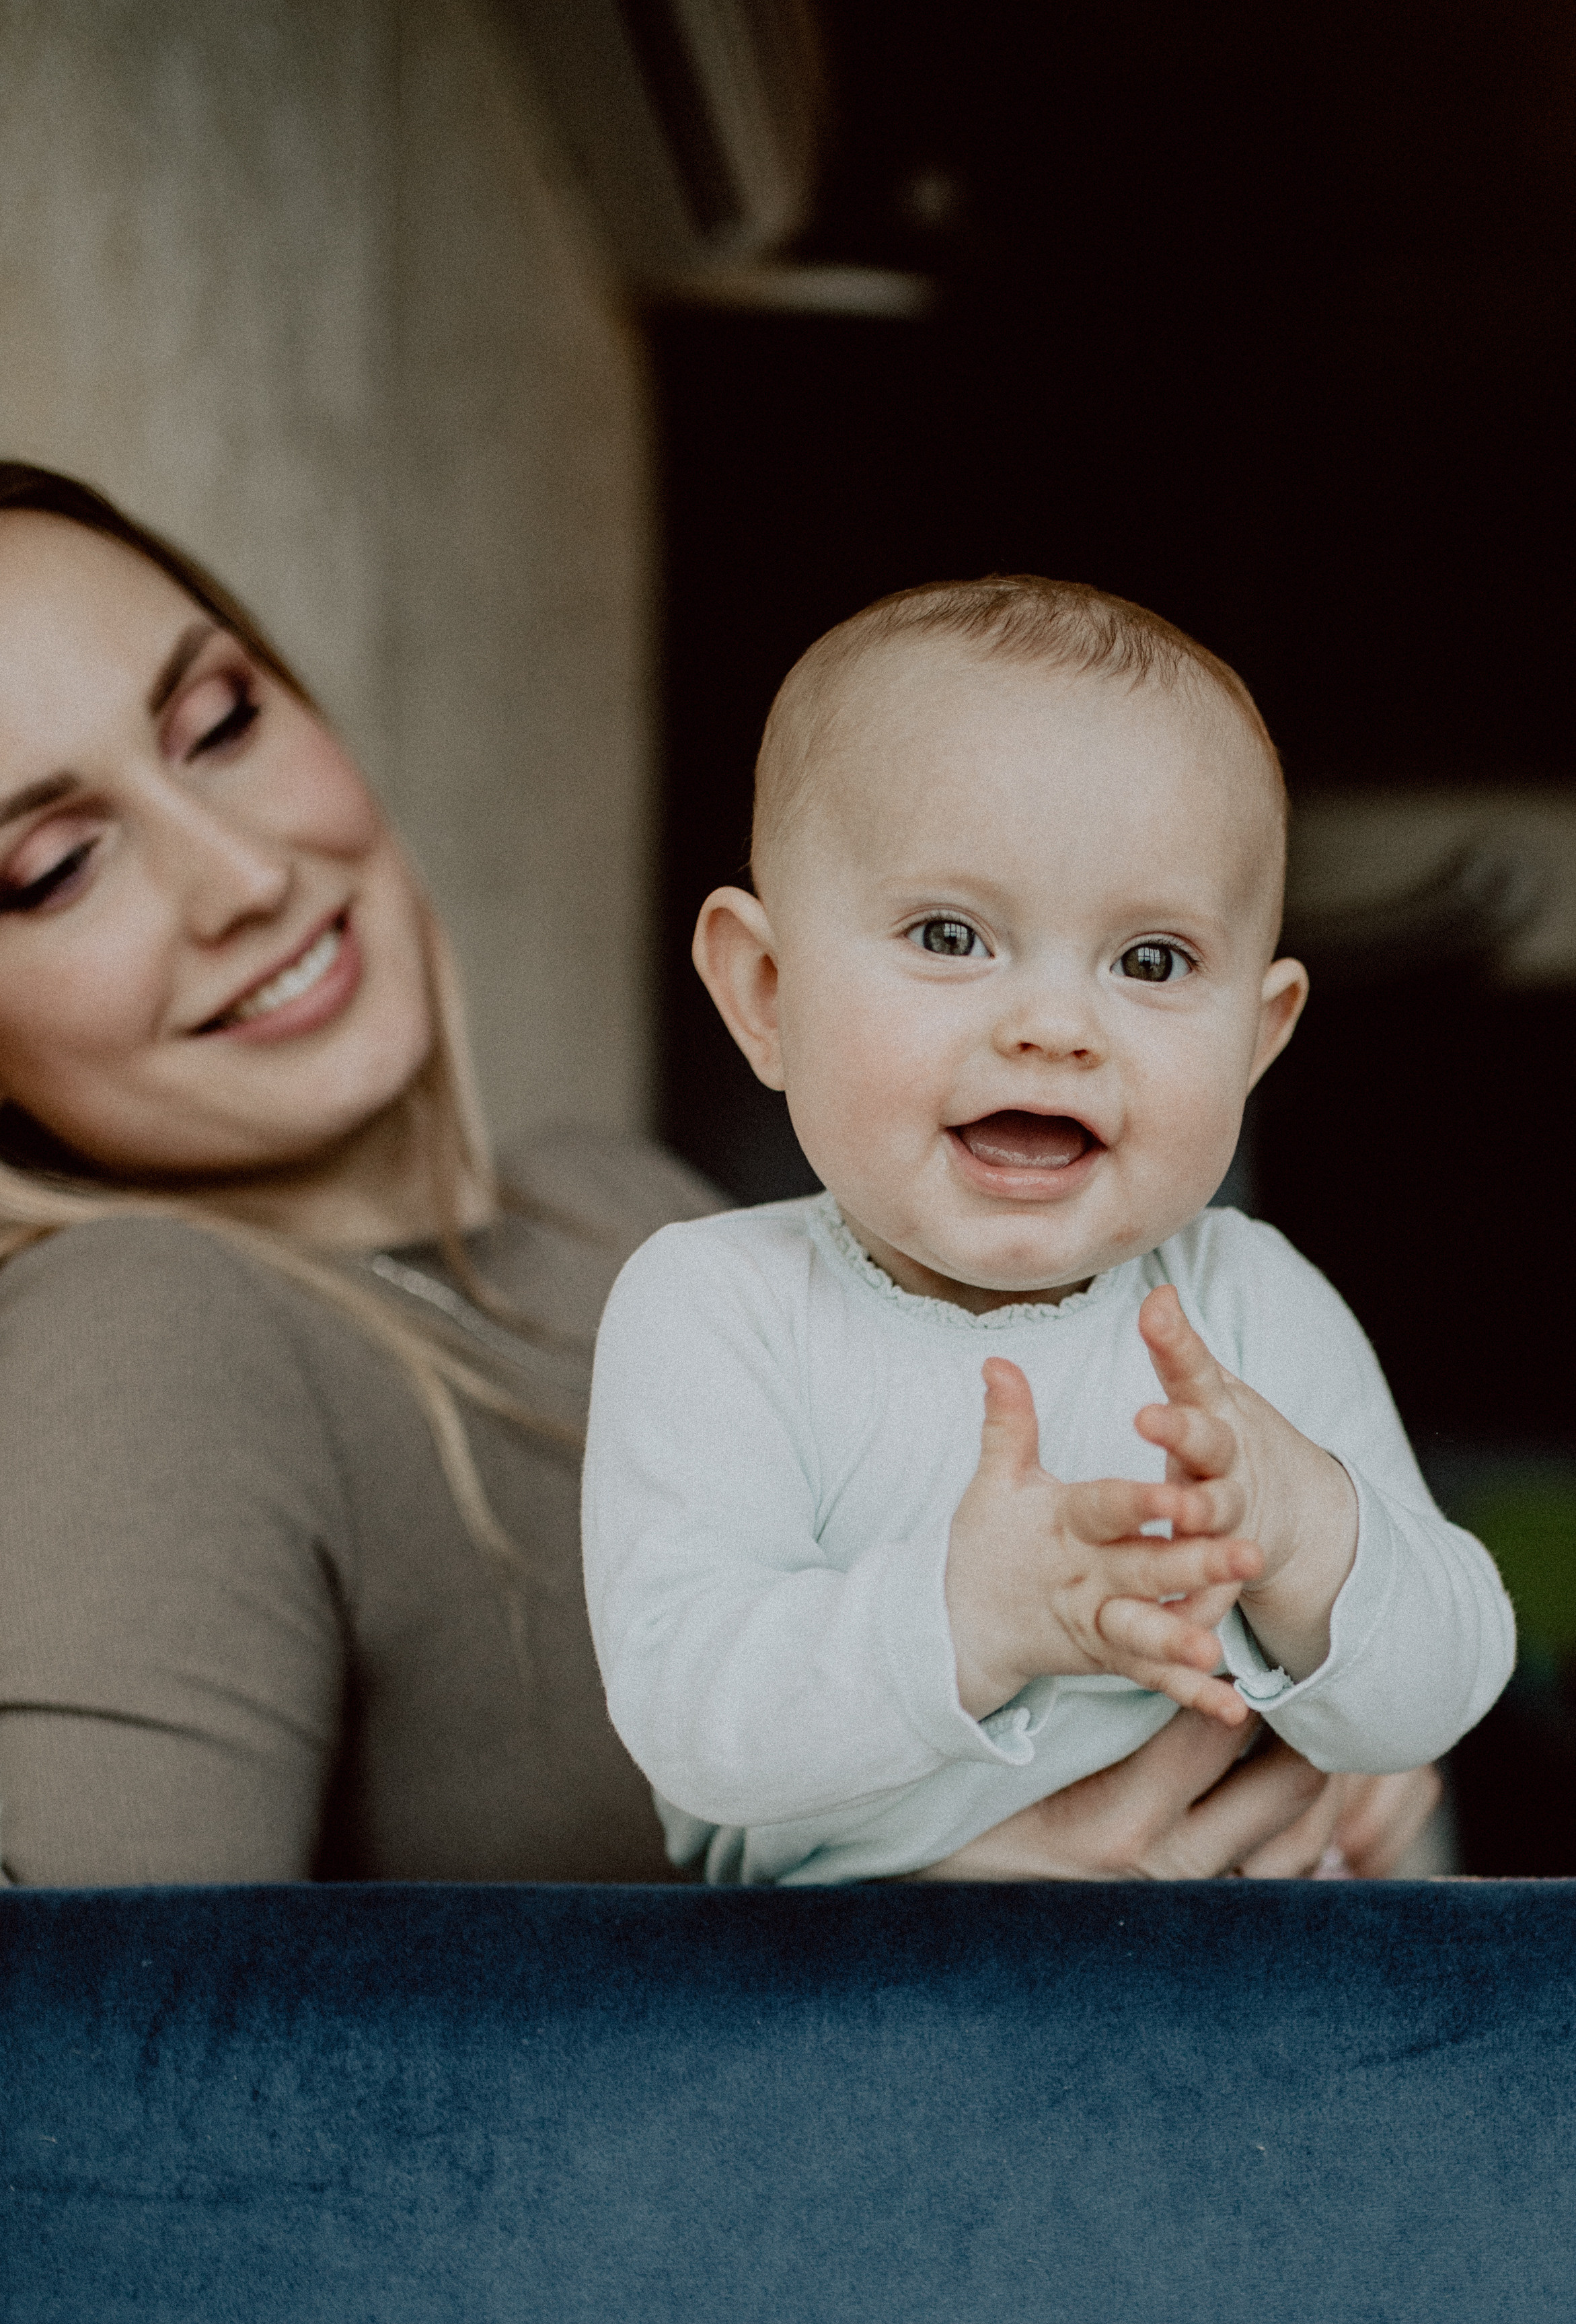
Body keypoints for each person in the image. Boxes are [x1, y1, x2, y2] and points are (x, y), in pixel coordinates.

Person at [0, 478, 1438, 1891]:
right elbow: (108, 2030)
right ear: (756, 981)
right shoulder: (139, 1330)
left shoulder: (608, 1203)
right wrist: (906, 1939)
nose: (243, 874)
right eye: (55, 866)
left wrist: (1339, 1705)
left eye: (221, 723)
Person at [583, 577, 1514, 1886]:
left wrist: (1308, 1535)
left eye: (1149, 962)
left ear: (1255, 1044)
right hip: (864, 1988)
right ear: (767, 993)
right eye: (950, 935)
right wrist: (968, 1614)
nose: (1055, 1027)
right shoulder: (717, 1308)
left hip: (1254, 1977)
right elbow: (691, 1723)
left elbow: (1439, 1692)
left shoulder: (1244, 1307)